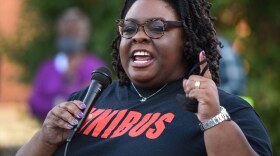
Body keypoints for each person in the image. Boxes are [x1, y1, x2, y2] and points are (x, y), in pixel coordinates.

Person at [17, 0, 272, 155]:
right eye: (129, 28)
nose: (138, 36)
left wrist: (213, 119)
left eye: (157, 27)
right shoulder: (86, 101)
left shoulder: (228, 111)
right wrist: (45, 139)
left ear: (187, 38)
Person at [28, 7, 106, 122]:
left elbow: (103, 101)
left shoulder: (95, 66)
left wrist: (66, 98)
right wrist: (56, 105)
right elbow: (34, 103)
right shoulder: (48, 67)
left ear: (85, 35)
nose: (71, 37)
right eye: (67, 33)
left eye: (75, 33)